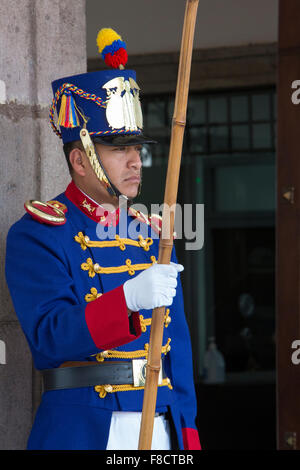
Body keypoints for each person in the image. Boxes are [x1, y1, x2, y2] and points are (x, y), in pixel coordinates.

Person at [5, 28, 201, 450]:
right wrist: (127, 298)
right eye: (118, 149)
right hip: (86, 429)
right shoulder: (37, 235)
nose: (136, 161)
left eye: (137, 148)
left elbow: (177, 353)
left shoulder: (151, 236)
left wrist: (188, 434)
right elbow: (50, 338)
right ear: (80, 159)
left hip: (161, 423)